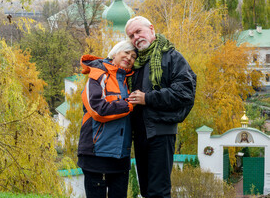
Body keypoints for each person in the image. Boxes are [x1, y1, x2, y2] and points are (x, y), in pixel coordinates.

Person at [125, 16, 196, 198]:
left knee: (159, 191)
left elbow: (184, 93)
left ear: (151, 28)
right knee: (147, 190)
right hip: (140, 134)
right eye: (131, 36)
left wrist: (147, 98)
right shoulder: (135, 61)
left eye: (138, 31)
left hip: (161, 132)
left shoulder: (171, 57)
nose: (136, 38)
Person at [77, 40, 137, 198]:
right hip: (96, 154)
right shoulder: (98, 74)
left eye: (133, 56)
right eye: (126, 53)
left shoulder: (128, 80)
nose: (129, 58)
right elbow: (98, 110)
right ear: (115, 53)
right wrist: (128, 105)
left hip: (120, 157)